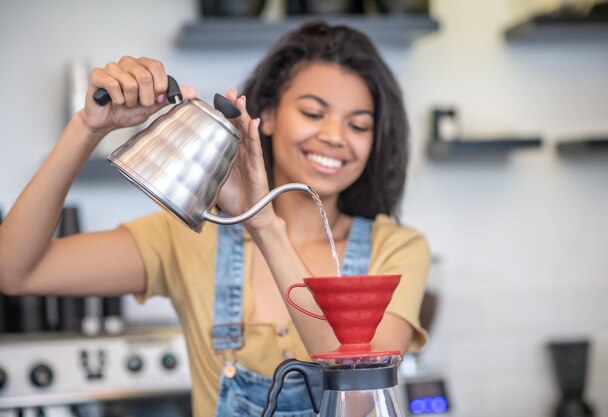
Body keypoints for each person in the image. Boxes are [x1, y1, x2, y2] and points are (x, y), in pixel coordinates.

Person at [0, 21, 430, 416]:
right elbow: (16, 271)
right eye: (314, 114)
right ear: (271, 116)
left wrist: (264, 226)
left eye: (358, 125)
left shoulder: (396, 250)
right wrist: (87, 127)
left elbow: (357, 400)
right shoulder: (189, 236)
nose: (335, 136)